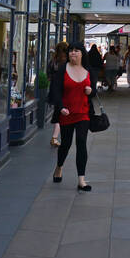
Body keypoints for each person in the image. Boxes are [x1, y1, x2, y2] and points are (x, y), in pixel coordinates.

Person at [48, 44, 94, 189]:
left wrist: (90, 91)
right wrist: (60, 107)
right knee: (66, 144)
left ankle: (81, 180)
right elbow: (55, 90)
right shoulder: (63, 69)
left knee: (81, 142)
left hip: (83, 113)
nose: (73, 53)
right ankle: (59, 167)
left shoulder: (88, 70)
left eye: (76, 50)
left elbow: (93, 92)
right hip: (66, 113)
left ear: (82, 54)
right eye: (71, 51)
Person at [48, 40, 70, 147]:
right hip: (63, 90)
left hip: (53, 88)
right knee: (59, 113)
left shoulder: (53, 61)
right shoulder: (66, 63)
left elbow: (49, 76)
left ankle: (55, 137)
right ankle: (54, 137)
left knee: (58, 111)